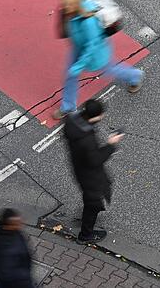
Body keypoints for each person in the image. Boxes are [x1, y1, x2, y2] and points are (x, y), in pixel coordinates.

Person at [53, 0, 143, 119]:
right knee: (71, 75)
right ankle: (68, 107)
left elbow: (92, 47)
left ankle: (134, 76)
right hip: (78, 48)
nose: (63, 7)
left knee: (111, 70)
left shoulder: (88, 23)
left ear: (74, 5)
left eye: (66, 5)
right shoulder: (71, 14)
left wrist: (78, 66)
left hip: (96, 55)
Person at [62, 99, 123, 244]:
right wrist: (110, 145)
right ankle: (85, 236)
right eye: (101, 115)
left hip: (79, 168)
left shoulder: (71, 121)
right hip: (89, 175)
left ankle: (88, 218)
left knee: (94, 195)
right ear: (95, 116)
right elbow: (95, 160)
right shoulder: (86, 139)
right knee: (93, 202)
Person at [0, 208, 34, 288]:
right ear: (8, 225)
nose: (20, 225)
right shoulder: (8, 250)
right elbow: (8, 275)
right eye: (16, 224)